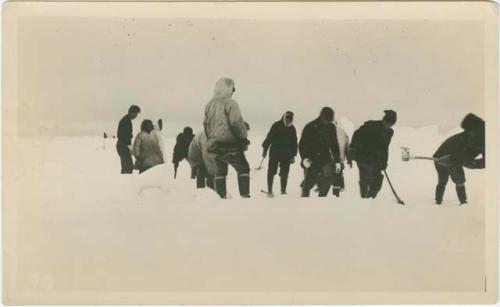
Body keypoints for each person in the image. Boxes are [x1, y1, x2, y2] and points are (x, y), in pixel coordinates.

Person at [203, 78, 251, 198]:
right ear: (228, 88)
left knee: (220, 171)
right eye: (232, 88)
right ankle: (245, 196)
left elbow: (206, 125)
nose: (233, 91)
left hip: (214, 145)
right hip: (230, 145)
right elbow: (236, 122)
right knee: (243, 168)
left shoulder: (209, 104)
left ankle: (221, 197)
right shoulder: (231, 103)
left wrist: (210, 140)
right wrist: (243, 139)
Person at [433, 113, 485, 205]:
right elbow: (458, 157)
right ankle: (438, 201)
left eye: (470, 131)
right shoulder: (462, 139)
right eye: (468, 131)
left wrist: (475, 164)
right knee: (443, 179)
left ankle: (463, 202)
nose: (469, 133)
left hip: (454, 158)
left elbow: (490, 160)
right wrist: (470, 162)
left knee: (459, 180)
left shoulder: (484, 137)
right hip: (441, 156)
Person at [350, 110, 397, 199]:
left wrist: (384, 162)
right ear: (384, 120)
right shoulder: (371, 126)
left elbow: (385, 148)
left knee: (377, 179)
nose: (388, 126)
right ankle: (364, 198)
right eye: (387, 123)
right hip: (363, 156)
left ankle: (370, 198)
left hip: (376, 159)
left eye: (391, 124)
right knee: (365, 177)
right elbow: (357, 133)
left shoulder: (389, 132)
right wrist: (352, 148)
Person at [299, 107, 341, 197]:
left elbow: (334, 145)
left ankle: (321, 201)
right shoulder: (310, 127)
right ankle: (303, 202)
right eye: (327, 120)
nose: (329, 122)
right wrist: (305, 158)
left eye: (330, 120)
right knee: (308, 184)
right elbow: (302, 145)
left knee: (327, 180)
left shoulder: (331, 127)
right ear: (322, 117)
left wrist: (337, 161)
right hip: (311, 159)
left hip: (325, 158)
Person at [262, 111, 298, 197]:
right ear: (284, 117)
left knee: (285, 172)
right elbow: (269, 138)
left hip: (287, 154)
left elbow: (294, 143)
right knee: (271, 171)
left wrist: (293, 155)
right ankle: (270, 190)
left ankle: (283, 191)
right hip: (275, 152)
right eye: (287, 118)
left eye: (290, 119)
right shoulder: (276, 125)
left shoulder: (292, 129)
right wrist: (265, 150)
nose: (288, 121)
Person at [116, 105, 141, 174]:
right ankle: (125, 183)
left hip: (123, 146)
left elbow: (126, 135)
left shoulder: (127, 120)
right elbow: (123, 136)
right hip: (122, 146)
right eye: (136, 114)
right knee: (128, 167)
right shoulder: (126, 121)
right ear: (131, 112)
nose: (136, 116)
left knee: (126, 168)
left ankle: (123, 182)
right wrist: (130, 147)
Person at [331, 121, 352, 197]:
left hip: (327, 160)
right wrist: (349, 159)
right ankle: (336, 195)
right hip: (339, 160)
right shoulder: (343, 132)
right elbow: (347, 147)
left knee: (327, 177)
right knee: (337, 175)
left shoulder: (324, 130)